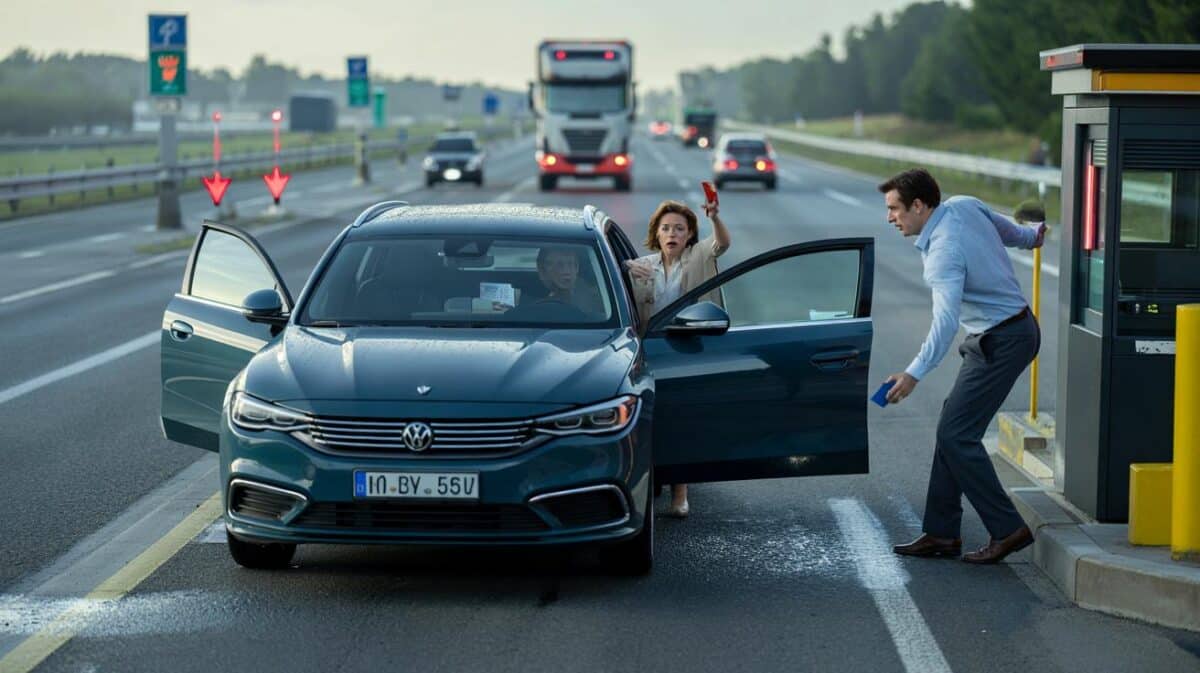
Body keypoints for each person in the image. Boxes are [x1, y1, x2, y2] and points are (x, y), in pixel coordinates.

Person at [880, 168, 1047, 564]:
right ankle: (940, 533)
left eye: (895, 209)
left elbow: (945, 323)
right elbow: (1015, 234)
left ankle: (1008, 529)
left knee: (958, 434)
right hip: (1005, 332)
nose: (890, 218)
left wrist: (914, 373)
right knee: (952, 424)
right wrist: (1035, 235)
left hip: (1002, 340)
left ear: (919, 206)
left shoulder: (942, 253)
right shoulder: (965, 205)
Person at [625, 197, 731, 518]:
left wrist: (714, 218)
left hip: (686, 348)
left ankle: (680, 492)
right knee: (650, 420)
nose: (672, 233)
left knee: (681, 419)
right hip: (649, 349)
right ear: (656, 233)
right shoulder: (643, 264)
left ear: (689, 235)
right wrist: (625, 268)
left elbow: (722, 244)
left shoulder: (698, 256)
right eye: (666, 228)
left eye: (680, 229)